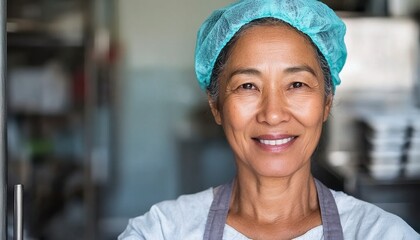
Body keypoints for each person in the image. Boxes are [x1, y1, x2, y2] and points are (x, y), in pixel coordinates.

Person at [119, 0, 420, 239]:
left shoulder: (383, 234)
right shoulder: (161, 231)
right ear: (216, 105)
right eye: (247, 86)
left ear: (326, 102)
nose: (273, 113)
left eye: (297, 84)